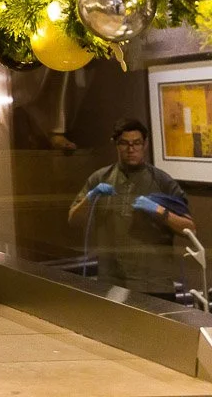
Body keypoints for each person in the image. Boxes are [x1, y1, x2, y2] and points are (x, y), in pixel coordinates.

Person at [68, 118, 195, 299]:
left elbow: (190, 229)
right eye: (124, 143)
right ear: (115, 144)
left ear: (145, 144)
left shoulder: (161, 181)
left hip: (154, 283)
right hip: (111, 280)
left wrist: (160, 211)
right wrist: (90, 197)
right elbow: (74, 220)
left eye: (136, 143)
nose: (131, 149)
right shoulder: (100, 178)